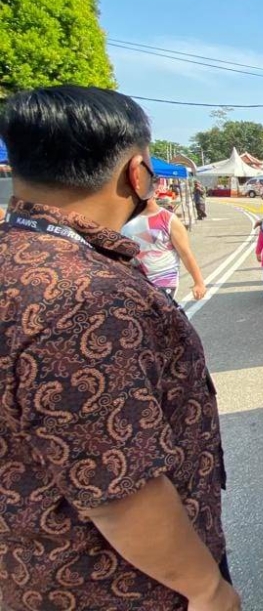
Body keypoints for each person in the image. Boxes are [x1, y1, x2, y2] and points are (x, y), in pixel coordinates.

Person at [0, 86, 238, 611]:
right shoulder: (87, 298)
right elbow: (120, 487)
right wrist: (205, 587)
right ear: (137, 174)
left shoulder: (19, 257)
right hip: (122, 584)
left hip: (33, 564)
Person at [122, 195, 208, 301]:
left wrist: (199, 283)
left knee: (158, 316)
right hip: (136, 280)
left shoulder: (168, 219)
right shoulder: (125, 219)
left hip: (164, 279)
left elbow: (185, 253)